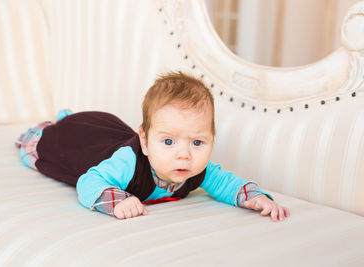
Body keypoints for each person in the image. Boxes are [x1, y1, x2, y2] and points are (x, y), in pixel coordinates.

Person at [16, 72, 290, 221]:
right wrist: (116, 201)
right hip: (82, 141)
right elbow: (89, 181)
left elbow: (228, 183)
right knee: (48, 142)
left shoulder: (197, 168)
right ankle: (51, 126)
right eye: (168, 141)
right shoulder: (128, 162)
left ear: (212, 141)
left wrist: (254, 197)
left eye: (197, 142)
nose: (184, 154)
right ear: (145, 141)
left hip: (111, 132)